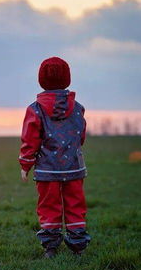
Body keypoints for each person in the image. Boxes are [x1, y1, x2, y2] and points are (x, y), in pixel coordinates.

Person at [18, 57, 91, 258]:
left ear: (41, 80)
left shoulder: (34, 109)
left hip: (47, 169)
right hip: (74, 167)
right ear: (67, 79)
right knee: (75, 205)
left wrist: (25, 164)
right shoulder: (78, 108)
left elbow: (30, 139)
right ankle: (78, 248)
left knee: (49, 206)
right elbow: (81, 136)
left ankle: (50, 248)